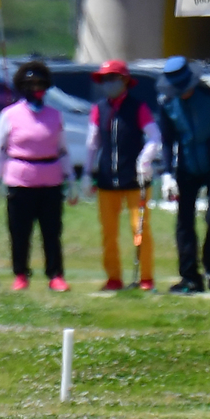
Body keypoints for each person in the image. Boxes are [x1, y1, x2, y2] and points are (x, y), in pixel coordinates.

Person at [0, 60, 78, 292]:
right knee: (19, 232)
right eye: (30, 84)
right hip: (20, 181)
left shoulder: (55, 116)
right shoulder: (9, 115)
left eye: (39, 84)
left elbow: (63, 150)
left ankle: (55, 275)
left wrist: (72, 181)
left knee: (51, 232)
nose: (35, 88)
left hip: (50, 182)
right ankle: (21, 274)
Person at [157, 56, 210, 296]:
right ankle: (189, 277)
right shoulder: (166, 103)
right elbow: (167, 141)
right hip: (186, 166)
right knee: (184, 223)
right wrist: (167, 174)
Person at [84, 60, 161, 291]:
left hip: (135, 180)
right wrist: (88, 173)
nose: (109, 84)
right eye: (106, 79)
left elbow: (155, 138)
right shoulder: (99, 109)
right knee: (108, 234)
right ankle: (113, 278)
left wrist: (144, 159)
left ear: (125, 81)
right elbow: (92, 143)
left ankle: (146, 278)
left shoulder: (138, 108)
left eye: (113, 79)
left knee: (139, 230)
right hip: (107, 181)